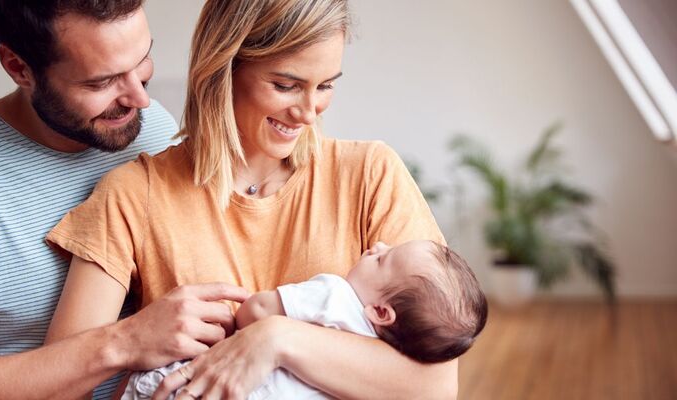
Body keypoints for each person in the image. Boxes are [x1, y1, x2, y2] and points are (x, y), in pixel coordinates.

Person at [45, 0, 460, 399]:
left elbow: (435, 385)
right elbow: (58, 385)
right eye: (285, 85)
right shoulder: (135, 196)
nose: (308, 112)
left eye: (326, 85)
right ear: (222, 68)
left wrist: (276, 339)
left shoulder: (371, 174)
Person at [0, 2, 251, 399]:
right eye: (101, 82)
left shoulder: (150, 128)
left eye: (143, 60)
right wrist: (124, 343)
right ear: (19, 68)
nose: (139, 98)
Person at [122, 240, 488, 400]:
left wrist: (252, 316)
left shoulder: (335, 295)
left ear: (381, 311)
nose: (377, 245)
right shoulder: (377, 360)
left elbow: (256, 313)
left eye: (383, 260)